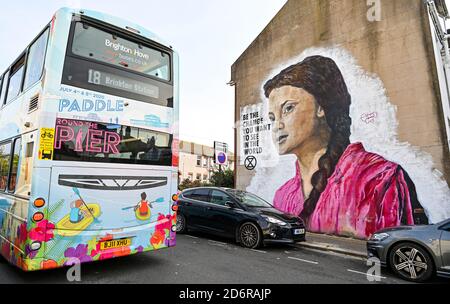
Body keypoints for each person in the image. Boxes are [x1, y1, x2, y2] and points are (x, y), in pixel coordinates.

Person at [264, 55, 428, 239]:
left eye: (288, 109)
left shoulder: (378, 179)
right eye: (272, 118)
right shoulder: (282, 195)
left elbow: (400, 246)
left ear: (321, 106)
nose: (277, 125)